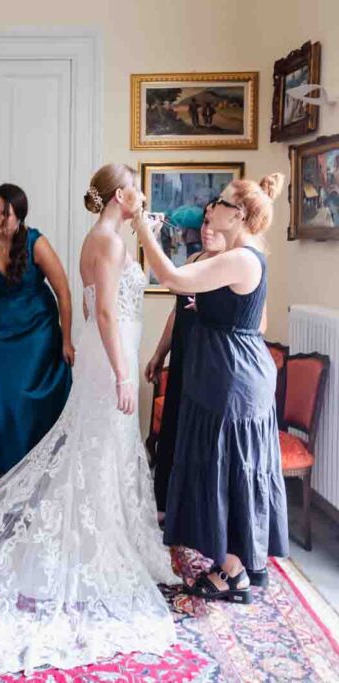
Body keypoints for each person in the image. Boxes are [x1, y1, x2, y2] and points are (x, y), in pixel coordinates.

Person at [0, 164, 177, 675]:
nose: (141, 196)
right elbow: (108, 312)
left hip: (90, 345)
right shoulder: (107, 242)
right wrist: (122, 374)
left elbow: (86, 303)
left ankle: (107, 529)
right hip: (106, 354)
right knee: (100, 446)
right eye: (135, 189)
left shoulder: (99, 237)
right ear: (120, 194)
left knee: (102, 447)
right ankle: (94, 539)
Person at [136, 174, 289, 602]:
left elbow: (172, 276)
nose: (211, 207)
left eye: (220, 202)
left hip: (234, 379)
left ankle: (234, 573)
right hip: (224, 375)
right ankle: (237, 563)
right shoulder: (238, 256)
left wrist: (142, 228)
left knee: (234, 470)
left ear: (237, 215)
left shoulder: (242, 258)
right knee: (226, 468)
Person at [0, 184, 73, 482]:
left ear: (19, 216)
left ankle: (34, 471)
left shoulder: (36, 243)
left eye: (5, 214)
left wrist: (66, 340)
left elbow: (63, 291)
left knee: (25, 400)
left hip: (38, 330)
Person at [145, 219, 227, 513]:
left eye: (214, 224)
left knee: (197, 432)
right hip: (182, 350)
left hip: (206, 358)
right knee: (173, 423)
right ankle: (166, 502)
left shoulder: (229, 266)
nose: (207, 229)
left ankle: (194, 509)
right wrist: (159, 354)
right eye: (205, 222)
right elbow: (176, 312)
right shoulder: (193, 260)